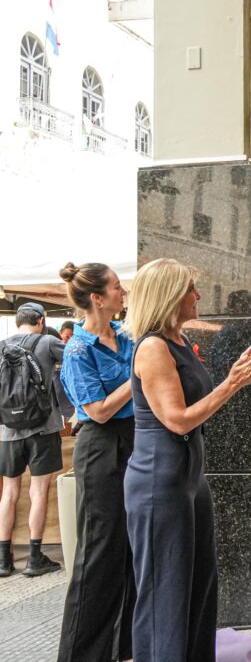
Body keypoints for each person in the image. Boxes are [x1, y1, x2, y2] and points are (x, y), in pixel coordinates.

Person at [124, 258, 251, 662]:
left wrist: (234, 381)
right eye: (191, 288)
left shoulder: (176, 341)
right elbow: (177, 420)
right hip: (160, 484)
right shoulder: (154, 347)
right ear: (171, 296)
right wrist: (233, 382)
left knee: (197, 586)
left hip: (187, 480)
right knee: (166, 593)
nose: (198, 295)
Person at [55, 262, 136, 661]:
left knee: (129, 550)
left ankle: (124, 649)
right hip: (101, 446)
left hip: (135, 441)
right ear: (98, 298)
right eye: (118, 288)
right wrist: (135, 378)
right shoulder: (77, 349)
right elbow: (98, 411)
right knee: (98, 554)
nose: (124, 293)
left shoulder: (125, 335)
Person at [0, 302, 65, 578]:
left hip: (8, 431)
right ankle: (34, 558)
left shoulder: (1, 346)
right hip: (43, 429)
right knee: (38, 492)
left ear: (17, 322)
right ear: (42, 320)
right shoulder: (48, 341)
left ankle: (3, 559)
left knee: (9, 493)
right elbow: (78, 361)